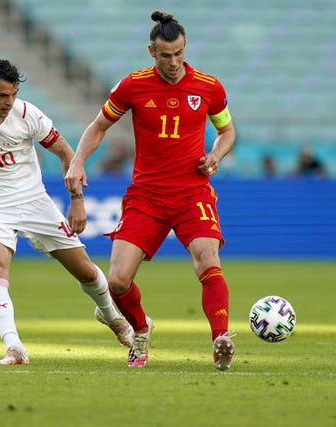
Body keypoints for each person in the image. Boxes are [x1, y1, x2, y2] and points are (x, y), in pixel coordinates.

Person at [0, 59, 134, 366]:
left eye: (13, 94)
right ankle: (14, 347)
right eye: (2, 96)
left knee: (86, 271)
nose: (9, 102)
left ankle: (112, 317)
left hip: (35, 201)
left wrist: (77, 200)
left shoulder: (27, 114)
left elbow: (65, 153)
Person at [65, 11, 237, 371]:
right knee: (117, 280)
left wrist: (215, 155)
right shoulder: (132, 85)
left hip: (193, 192)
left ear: (184, 49)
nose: (173, 63)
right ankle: (140, 329)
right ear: (151, 51)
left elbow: (227, 132)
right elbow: (98, 127)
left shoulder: (209, 86)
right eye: (165, 56)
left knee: (208, 259)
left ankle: (220, 338)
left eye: (179, 54)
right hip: (147, 196)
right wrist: (77, 162)